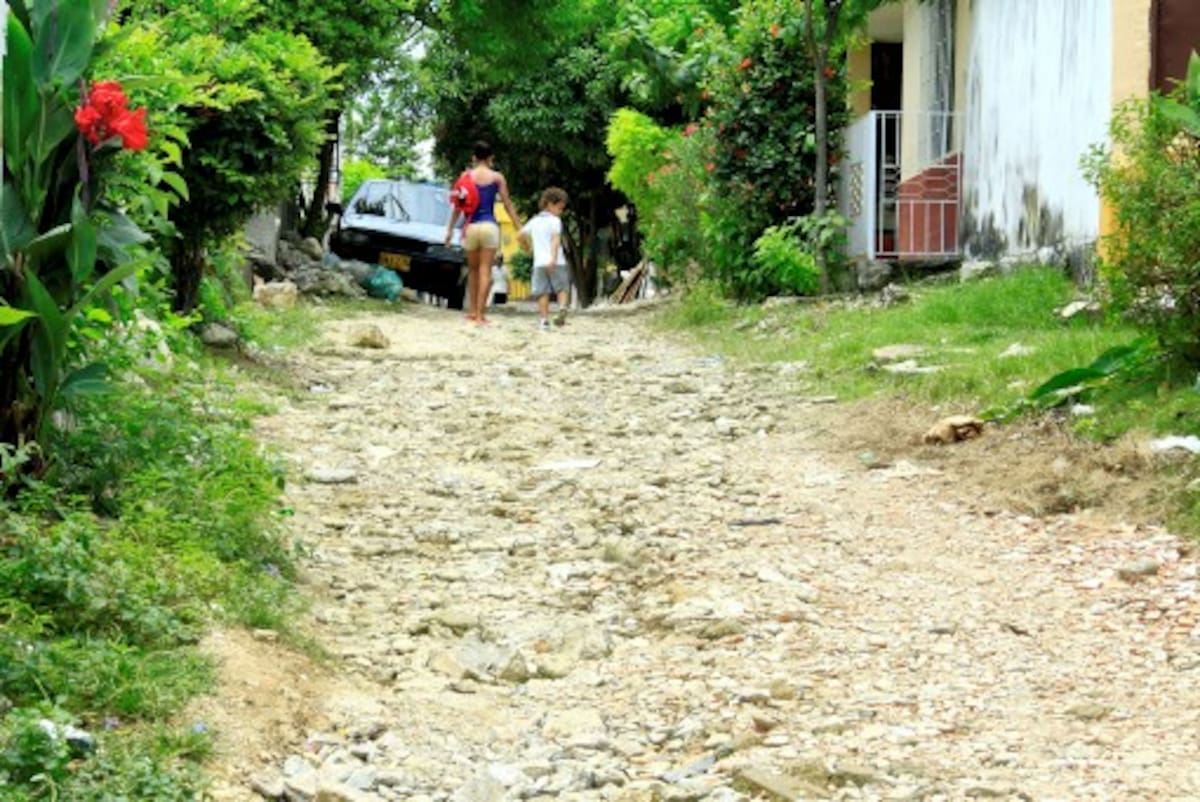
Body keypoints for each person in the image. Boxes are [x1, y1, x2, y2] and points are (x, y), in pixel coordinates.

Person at [444, 141, 522, 324]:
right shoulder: (497, 178)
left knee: (472, 270)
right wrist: (520, 228)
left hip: (470, 227)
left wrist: (449, 230)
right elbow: (508, 205)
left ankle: (471, 312)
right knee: (485, 269)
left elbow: (457, 207)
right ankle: (481, 315)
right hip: (489, 227)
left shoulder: (465, 176)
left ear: (474, 158)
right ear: (490, 158)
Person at [518, 187, 570, 331]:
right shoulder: (555, 221)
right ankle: (562, 309)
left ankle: (544, 320)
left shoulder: (534, 221)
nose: (561, 211)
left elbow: (520, 236)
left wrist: (527, 248)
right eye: (560, 208)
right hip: (557, 261)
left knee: (542, 292)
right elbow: (555, 239)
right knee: (562, 289)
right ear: (550, 204)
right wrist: (553, 258)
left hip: (539, 262)